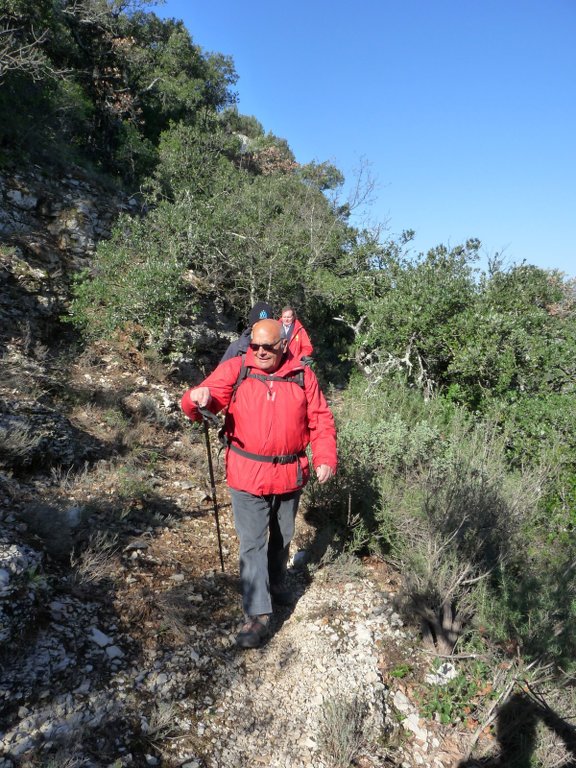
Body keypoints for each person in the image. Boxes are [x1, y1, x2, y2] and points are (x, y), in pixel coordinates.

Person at [181, 319, 337, 649]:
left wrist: (325, 457)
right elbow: (200, 403)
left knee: (283, 537)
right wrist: (198, 398)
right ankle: (258, 614)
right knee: (252, 541)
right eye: (256, 346)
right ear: (249, 344)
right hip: (246, 474)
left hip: (288, 473)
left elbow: (320, 419)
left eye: (269, 346)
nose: (261, 352)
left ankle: (277, 582)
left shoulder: (302, 375)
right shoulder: (236, 369)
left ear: (284, 345)